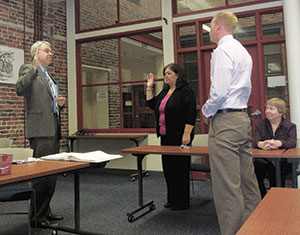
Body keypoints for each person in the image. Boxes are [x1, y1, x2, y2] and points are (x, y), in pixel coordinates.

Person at [201, 11, 261, 235]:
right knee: (247, 180)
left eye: (210, 25)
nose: (209, 29)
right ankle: (257, 227)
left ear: (218, 26)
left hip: (225, 121)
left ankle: (235, 232)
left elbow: (219, 92)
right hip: (242, 120)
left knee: (227, 186)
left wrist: (206, 111)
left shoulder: (222, 50)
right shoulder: (243, 51)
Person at [16, 41, 66, 228]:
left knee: (51, 174)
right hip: (40, 130)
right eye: (46, 50)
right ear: (35, 53)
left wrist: (60, 104)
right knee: (41, 176)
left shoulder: (49, 76)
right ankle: (36, 217)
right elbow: (19, 88)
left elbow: (48, 103)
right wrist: (34, 68)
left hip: (53, 129)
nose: (50, 53)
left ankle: (45, 210)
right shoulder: (28, 69)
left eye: (51, 51)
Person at [146, 63, 196, 210]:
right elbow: (151, 104)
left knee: (180, 169)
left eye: (168, 73)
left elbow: (191, 113)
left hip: (180, 136)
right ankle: (173, 199)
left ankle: (182, 202)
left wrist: (187, 134)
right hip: (165, 135)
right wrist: (150, 86)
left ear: (177, 75)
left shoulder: (185, 91)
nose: (165, 76)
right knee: (169, 168)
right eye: (165, 74)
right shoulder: (165, 91)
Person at [253, 97, 297, 198]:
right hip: (265, 160)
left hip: (283, 161)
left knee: (277, 170)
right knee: (256, 166)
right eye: (266, 108)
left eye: (271, 109)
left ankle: (278, 198)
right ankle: (262, 196)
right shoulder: (261, 124)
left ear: (280, 112)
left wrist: (279, 143)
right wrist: (261, 144)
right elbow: (255, 141)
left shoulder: (290, 126)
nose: (268, 111)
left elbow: (292, 142)